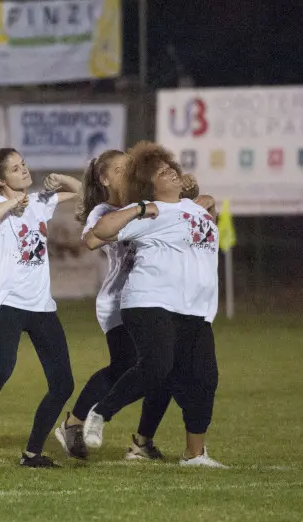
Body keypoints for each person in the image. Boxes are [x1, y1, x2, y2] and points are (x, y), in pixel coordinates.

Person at [83, 142, 226, 468]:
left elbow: (203, 226)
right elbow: (94, 236)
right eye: (163, 172)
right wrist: (138, 208)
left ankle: (194, 454)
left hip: (194, 308)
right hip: (149, 302)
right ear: (149, 186)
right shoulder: (150, 211)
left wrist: (208, 205)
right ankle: (100, 412)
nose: (172, 172)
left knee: (204, 378)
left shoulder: (194, 208)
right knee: (157, 367)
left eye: (172, 168)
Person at [0, 148, 81, 473]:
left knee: (63, 383)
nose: (24, 171)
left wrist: (61, 179)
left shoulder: (38, 201)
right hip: (8, 303)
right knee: (0, 371)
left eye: (23, 165)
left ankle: (32, 453)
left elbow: (84, 194)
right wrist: (14, 203)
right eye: (15, 168)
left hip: (41, 306)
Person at [54, 150, 177, 461]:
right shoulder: (106, 211)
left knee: (162, 368)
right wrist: (138, 209)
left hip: (155, 298)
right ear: (105, 178)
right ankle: (79, 422)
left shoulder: (147, 202)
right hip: (119, 301)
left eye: (130, 167)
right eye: (121, 169)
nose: (128, 172)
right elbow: (92, 238)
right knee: (129, 365)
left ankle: (140, 441)